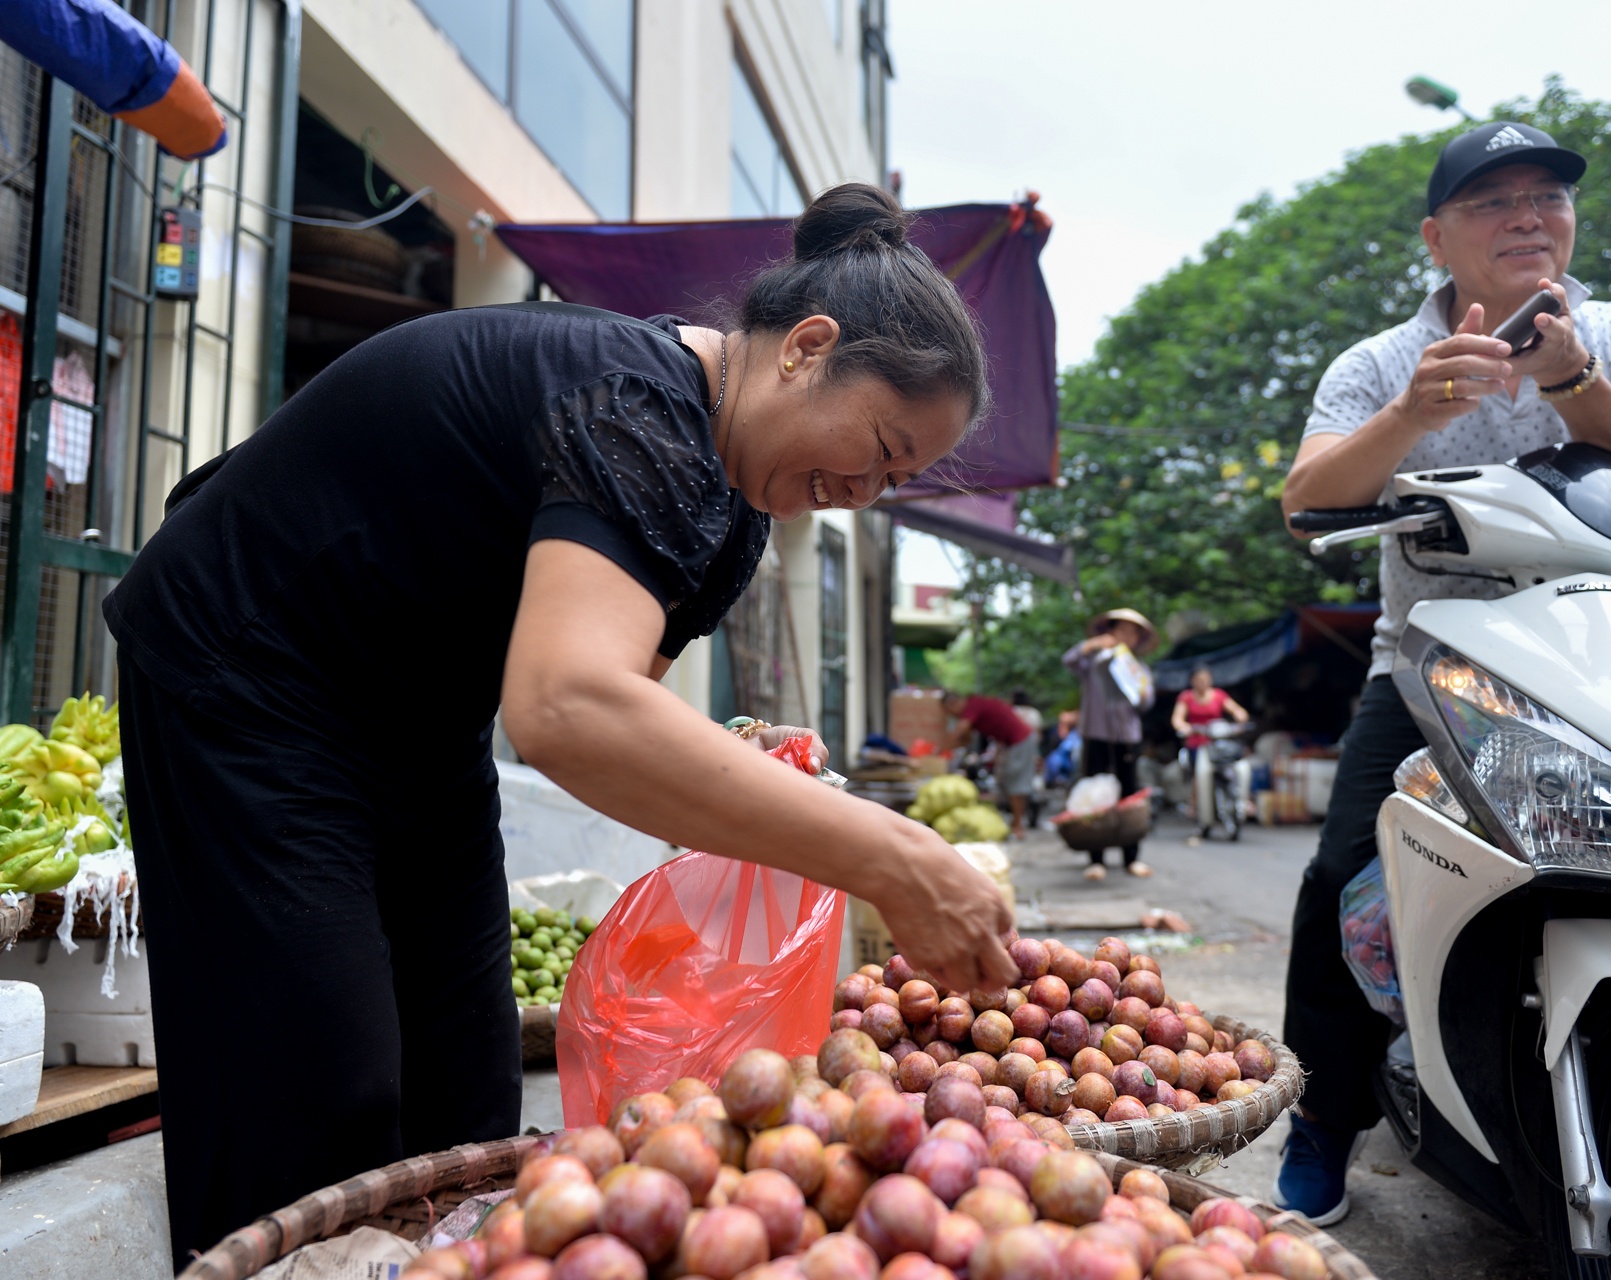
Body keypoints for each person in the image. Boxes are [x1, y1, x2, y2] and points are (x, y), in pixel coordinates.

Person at [102, 183, 1020, 1267]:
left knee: (467, 1077)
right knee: (316, 1084)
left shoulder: (731, 517)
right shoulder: (639, 406)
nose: (863, 491)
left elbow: (622, 719)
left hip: (420, 715)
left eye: (896, 480)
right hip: (248, 676)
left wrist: (751, 782)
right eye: (877, 444)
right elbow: (568, 709)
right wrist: (891, 852)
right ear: (806, 348)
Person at [1274, 122, 1611, 1228]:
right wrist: (1413, 413)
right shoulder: (1377, 362)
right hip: (1428, 670)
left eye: (1547, 196)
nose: (1528, 216)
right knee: (1337, 881)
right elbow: (1306, 498)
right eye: (1493, 201)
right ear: (1435, 238)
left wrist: (1576, 382)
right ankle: (1325, 1113)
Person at [1062, 608, 1159, 880]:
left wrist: (1136, 688)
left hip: (1127, 739)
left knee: (1129, 796)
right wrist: (1090, 646)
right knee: (1095, 795)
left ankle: (1131, 858)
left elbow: (1146, 703)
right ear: (1111, 632)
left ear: (1138, 639)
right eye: (1121, 630)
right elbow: (1068, 660)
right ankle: (1096, 860)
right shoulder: (1094, 662)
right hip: (1096, 735)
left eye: (1132, 632)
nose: (1126, 636)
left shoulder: (1139, 669)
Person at [942, 689, 1038, 836]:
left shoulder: (972, 705)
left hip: (1020, 741)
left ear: (954, 703)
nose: (952, 716)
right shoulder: (974, 706)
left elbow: (961, 730)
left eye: (949, 712)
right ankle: (1016, 822)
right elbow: (966, 738)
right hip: (1010, 743)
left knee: (1015, 783)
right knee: (1008, 781)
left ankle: (1018, 826)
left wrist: (940, 750)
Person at [1170, 665, 1250, 818]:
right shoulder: (1186, 697)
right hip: (1197, 742)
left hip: (1218, 741)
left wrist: (1240, 716)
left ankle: (1242, 800)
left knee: (1236, 763)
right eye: (1199, 679)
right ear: (1192, 681)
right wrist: (1184, 727)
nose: (1203, 682)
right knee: (1197, 773)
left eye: (1206, 679)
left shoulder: (1218, 695)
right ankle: (1194, 804)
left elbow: (1236, 710)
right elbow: (1177, 719)